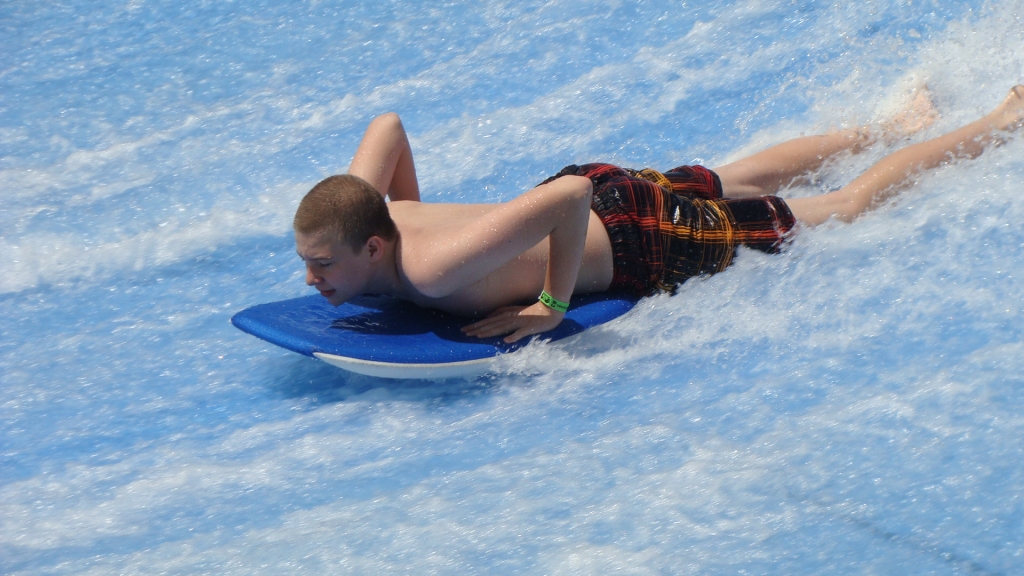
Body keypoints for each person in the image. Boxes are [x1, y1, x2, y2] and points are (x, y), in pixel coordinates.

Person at [294, 86, 1024, 343]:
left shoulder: (429, 269)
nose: (310, 277)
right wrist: (404, 215)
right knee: (728, 177)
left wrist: (550, 304)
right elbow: (386, 125)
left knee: (842, 206)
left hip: (635, 235)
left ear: (374, 250)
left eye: (323, 263)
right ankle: (896, 123)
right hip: (606, 193)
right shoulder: (368, 215)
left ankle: (999, 118)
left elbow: (565, 202)